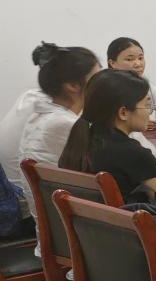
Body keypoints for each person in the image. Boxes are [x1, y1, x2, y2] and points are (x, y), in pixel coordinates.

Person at [58, 69, 156, 236]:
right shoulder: (133, 153)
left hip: (93, 240)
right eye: (146, 105)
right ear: (123, 112)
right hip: (134, 243)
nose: (150, 112)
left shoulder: (81, 140)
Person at [2, 43, 99, 223]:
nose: (103, 83)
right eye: (97, 77)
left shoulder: (39, 114)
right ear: (72, 85)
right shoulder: (65, 124)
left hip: (53, 225)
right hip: (75, 228)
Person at [107, 37, 156, 125]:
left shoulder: (146, 86)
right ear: (112, 63)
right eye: (129, 59)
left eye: (140, 58)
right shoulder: (106, 87)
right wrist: (138, 123)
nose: (138, 64)